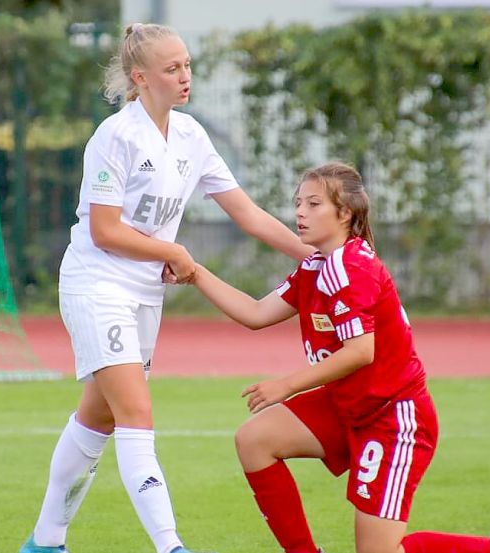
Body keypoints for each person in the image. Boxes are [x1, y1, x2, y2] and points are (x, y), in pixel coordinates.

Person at [19, 23, 313, 553]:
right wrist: (173, 252)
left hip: (144, 295)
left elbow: (246, 214)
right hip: (98, 286)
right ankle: (170, 546)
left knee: (98, 416)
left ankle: (44, 541)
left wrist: (318, 258)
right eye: (172, 68)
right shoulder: (115, 135)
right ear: (140, 77)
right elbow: (104, 230)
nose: (185, 77)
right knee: (136, 413)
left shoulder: (191, 136)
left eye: (188, 65)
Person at [187, 162, 490, 553]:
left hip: (393, 415)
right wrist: (195, 272)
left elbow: (359, 352)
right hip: (349, 403)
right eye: (298, 202)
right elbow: (255, 313)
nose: (300, 212)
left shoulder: (350, 267)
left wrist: (285, 385)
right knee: (254, 440)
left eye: (314, 203)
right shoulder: (317, 266)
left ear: (345, 212)